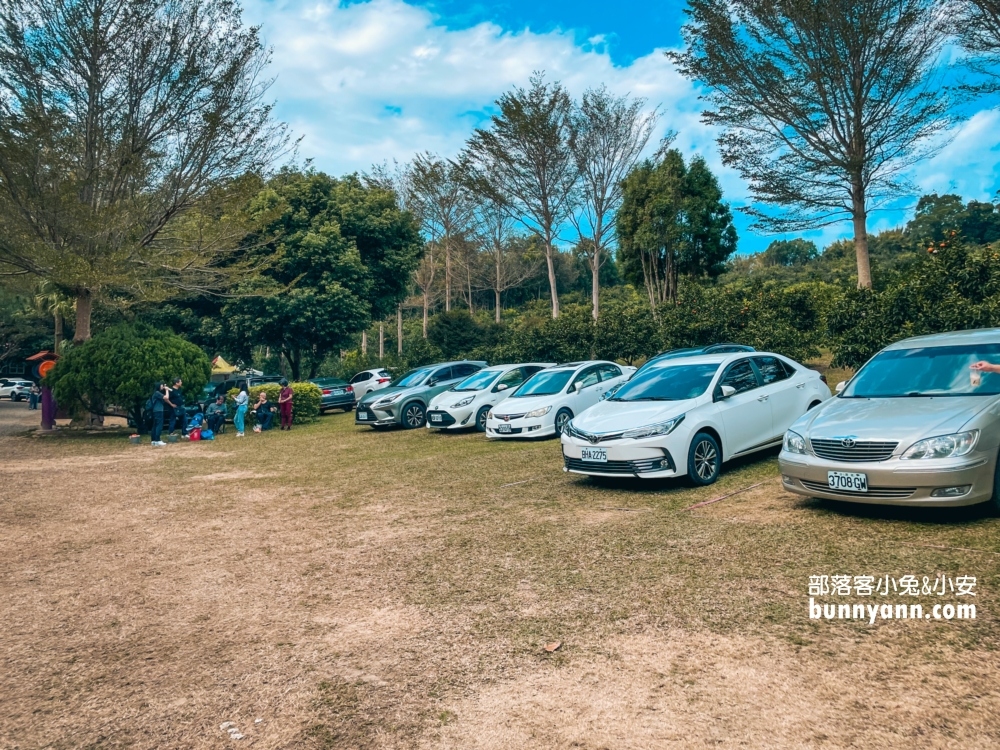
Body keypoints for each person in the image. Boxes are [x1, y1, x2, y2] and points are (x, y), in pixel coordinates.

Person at [150, 382, 171, 447]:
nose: (162, 386)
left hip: (155, 411)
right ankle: (158, 440)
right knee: (159, 425)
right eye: (161, 385)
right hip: (158, 411)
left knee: (155, 425)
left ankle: (154, 440)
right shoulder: (157, 393)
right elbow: (166, 397)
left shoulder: (156, 393)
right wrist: (167, 390)